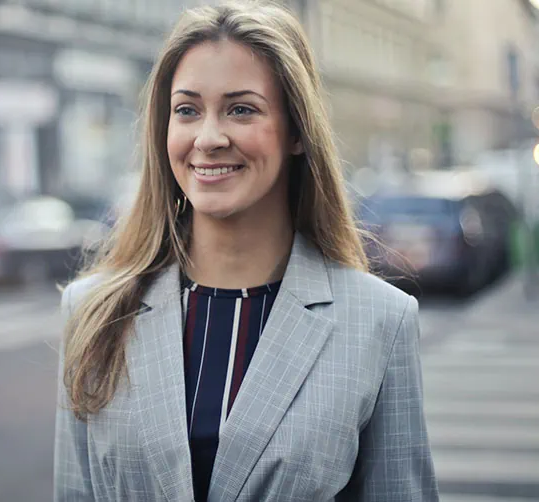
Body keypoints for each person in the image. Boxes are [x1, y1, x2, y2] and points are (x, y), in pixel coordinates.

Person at [54, 2, 439, 501]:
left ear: (297, 132)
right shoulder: (93, 312)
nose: (209, 138)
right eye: (187, 110)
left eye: (242, 109)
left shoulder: (379, 321)